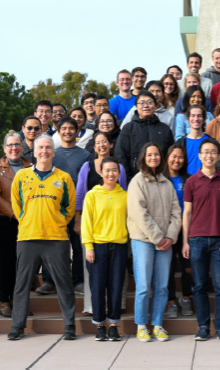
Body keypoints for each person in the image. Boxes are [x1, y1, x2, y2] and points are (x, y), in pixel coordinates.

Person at [8, 135, 76, 341]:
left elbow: (70, 207)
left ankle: (69, 326)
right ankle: (17, 326)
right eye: (40, 148)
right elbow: (16, 205)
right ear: (34, 152)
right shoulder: (21, 176)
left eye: (48, 147)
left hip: (56, 238)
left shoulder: (64, 178)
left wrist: (58, 222)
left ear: (53, 152)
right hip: (28, 237)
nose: (44, 151)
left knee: (64, 283)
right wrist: (26, 220)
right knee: (22, 284)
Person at [182, 139, 220, 343]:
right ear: (199, 156)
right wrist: (185, 241)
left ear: (218, 155)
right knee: (199, 286)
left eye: (213, 152)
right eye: (205, 152)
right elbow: (187, 213)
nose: (209, 155)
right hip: (196, 240)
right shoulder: (191, 181)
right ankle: (203, 326)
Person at [76, 132, 128, 312]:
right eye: (98, 142)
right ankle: (95, 312)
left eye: (105, 141)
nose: (102, 145)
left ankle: (115, 314)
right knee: (96, 281)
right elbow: (80, 195)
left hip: (118, 240)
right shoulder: (89, 174)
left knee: (116, 282)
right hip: (96, 235)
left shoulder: (124, 195)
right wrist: (87, 242)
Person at [82, 157, 129, 342]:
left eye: (114, 170)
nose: (111, 174)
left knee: (116, 287)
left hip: (119, 247)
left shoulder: (125, 196)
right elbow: (86, 223)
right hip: (97, 247)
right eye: (107, 170)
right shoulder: (92, 195)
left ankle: (114, 326)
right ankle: (100, 325)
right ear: (101, 173)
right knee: (98, 287)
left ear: (119, 173)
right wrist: (88, 247)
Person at [0, 132, 32, 318]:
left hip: (28, 221)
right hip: (5, 221)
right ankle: (4, 300)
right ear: (4, 148)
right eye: (10, 145)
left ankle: (19, 302)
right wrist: (15, 213)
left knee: (24, 264)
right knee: (6, 262)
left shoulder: (30, 166)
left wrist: (26, 216)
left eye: (17, 144)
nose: (14, 148)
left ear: (22, 147)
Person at [49, 117, 92, 294]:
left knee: (78, 246)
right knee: (54, 246)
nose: (67, 131)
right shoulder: (52, 154)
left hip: (78, 209)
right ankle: (50, 281)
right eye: (64, 128)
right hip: (55, 209)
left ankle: (78, 280)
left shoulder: (85, 155)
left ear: (77, 131)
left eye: (71, 128)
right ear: (58, 132)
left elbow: (88, 184)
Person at [115, 90, 175, 182]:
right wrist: (128, 179)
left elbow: (170, 155)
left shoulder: (164, 129)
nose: (146, 106)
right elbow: (121, 155)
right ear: (136, 106)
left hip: (161, 179)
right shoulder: (128, 128)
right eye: (142, 103)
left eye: (150, 102)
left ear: (155, 106)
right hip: (134, 179)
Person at [164, 145, 195, 319]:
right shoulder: (160, 179)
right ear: (167, 157)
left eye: (181, 157)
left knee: (187, 267)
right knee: (167, 268)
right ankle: (171, 302)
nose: (177, 160)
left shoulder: (189, 179)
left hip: (186, 229)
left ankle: (186, 298)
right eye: (174, 156)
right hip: (167, 229)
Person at [175, 104, 211, 175]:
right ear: (188, 119)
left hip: (206, 181)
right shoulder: (180, 143)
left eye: (199, 116)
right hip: (186, 182)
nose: (196, 119)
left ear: (204, 119)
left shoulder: (210, 142)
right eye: (193, 115)